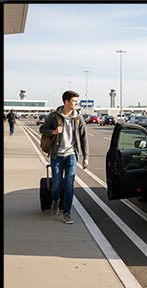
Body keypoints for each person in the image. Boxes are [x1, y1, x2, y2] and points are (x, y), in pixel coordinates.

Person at [40, 90, 89, 224]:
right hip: (57, 156)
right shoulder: (54, 116)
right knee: (56, 186)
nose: (76, 104)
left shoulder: (78, 118)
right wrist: (53, 131)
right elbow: (42, 129)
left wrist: (85, 157)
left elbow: (84, 138)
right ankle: (55, 200)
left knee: (69, 185)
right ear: (66, 102)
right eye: (74, 101)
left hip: (72, 155)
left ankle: (67, 213)